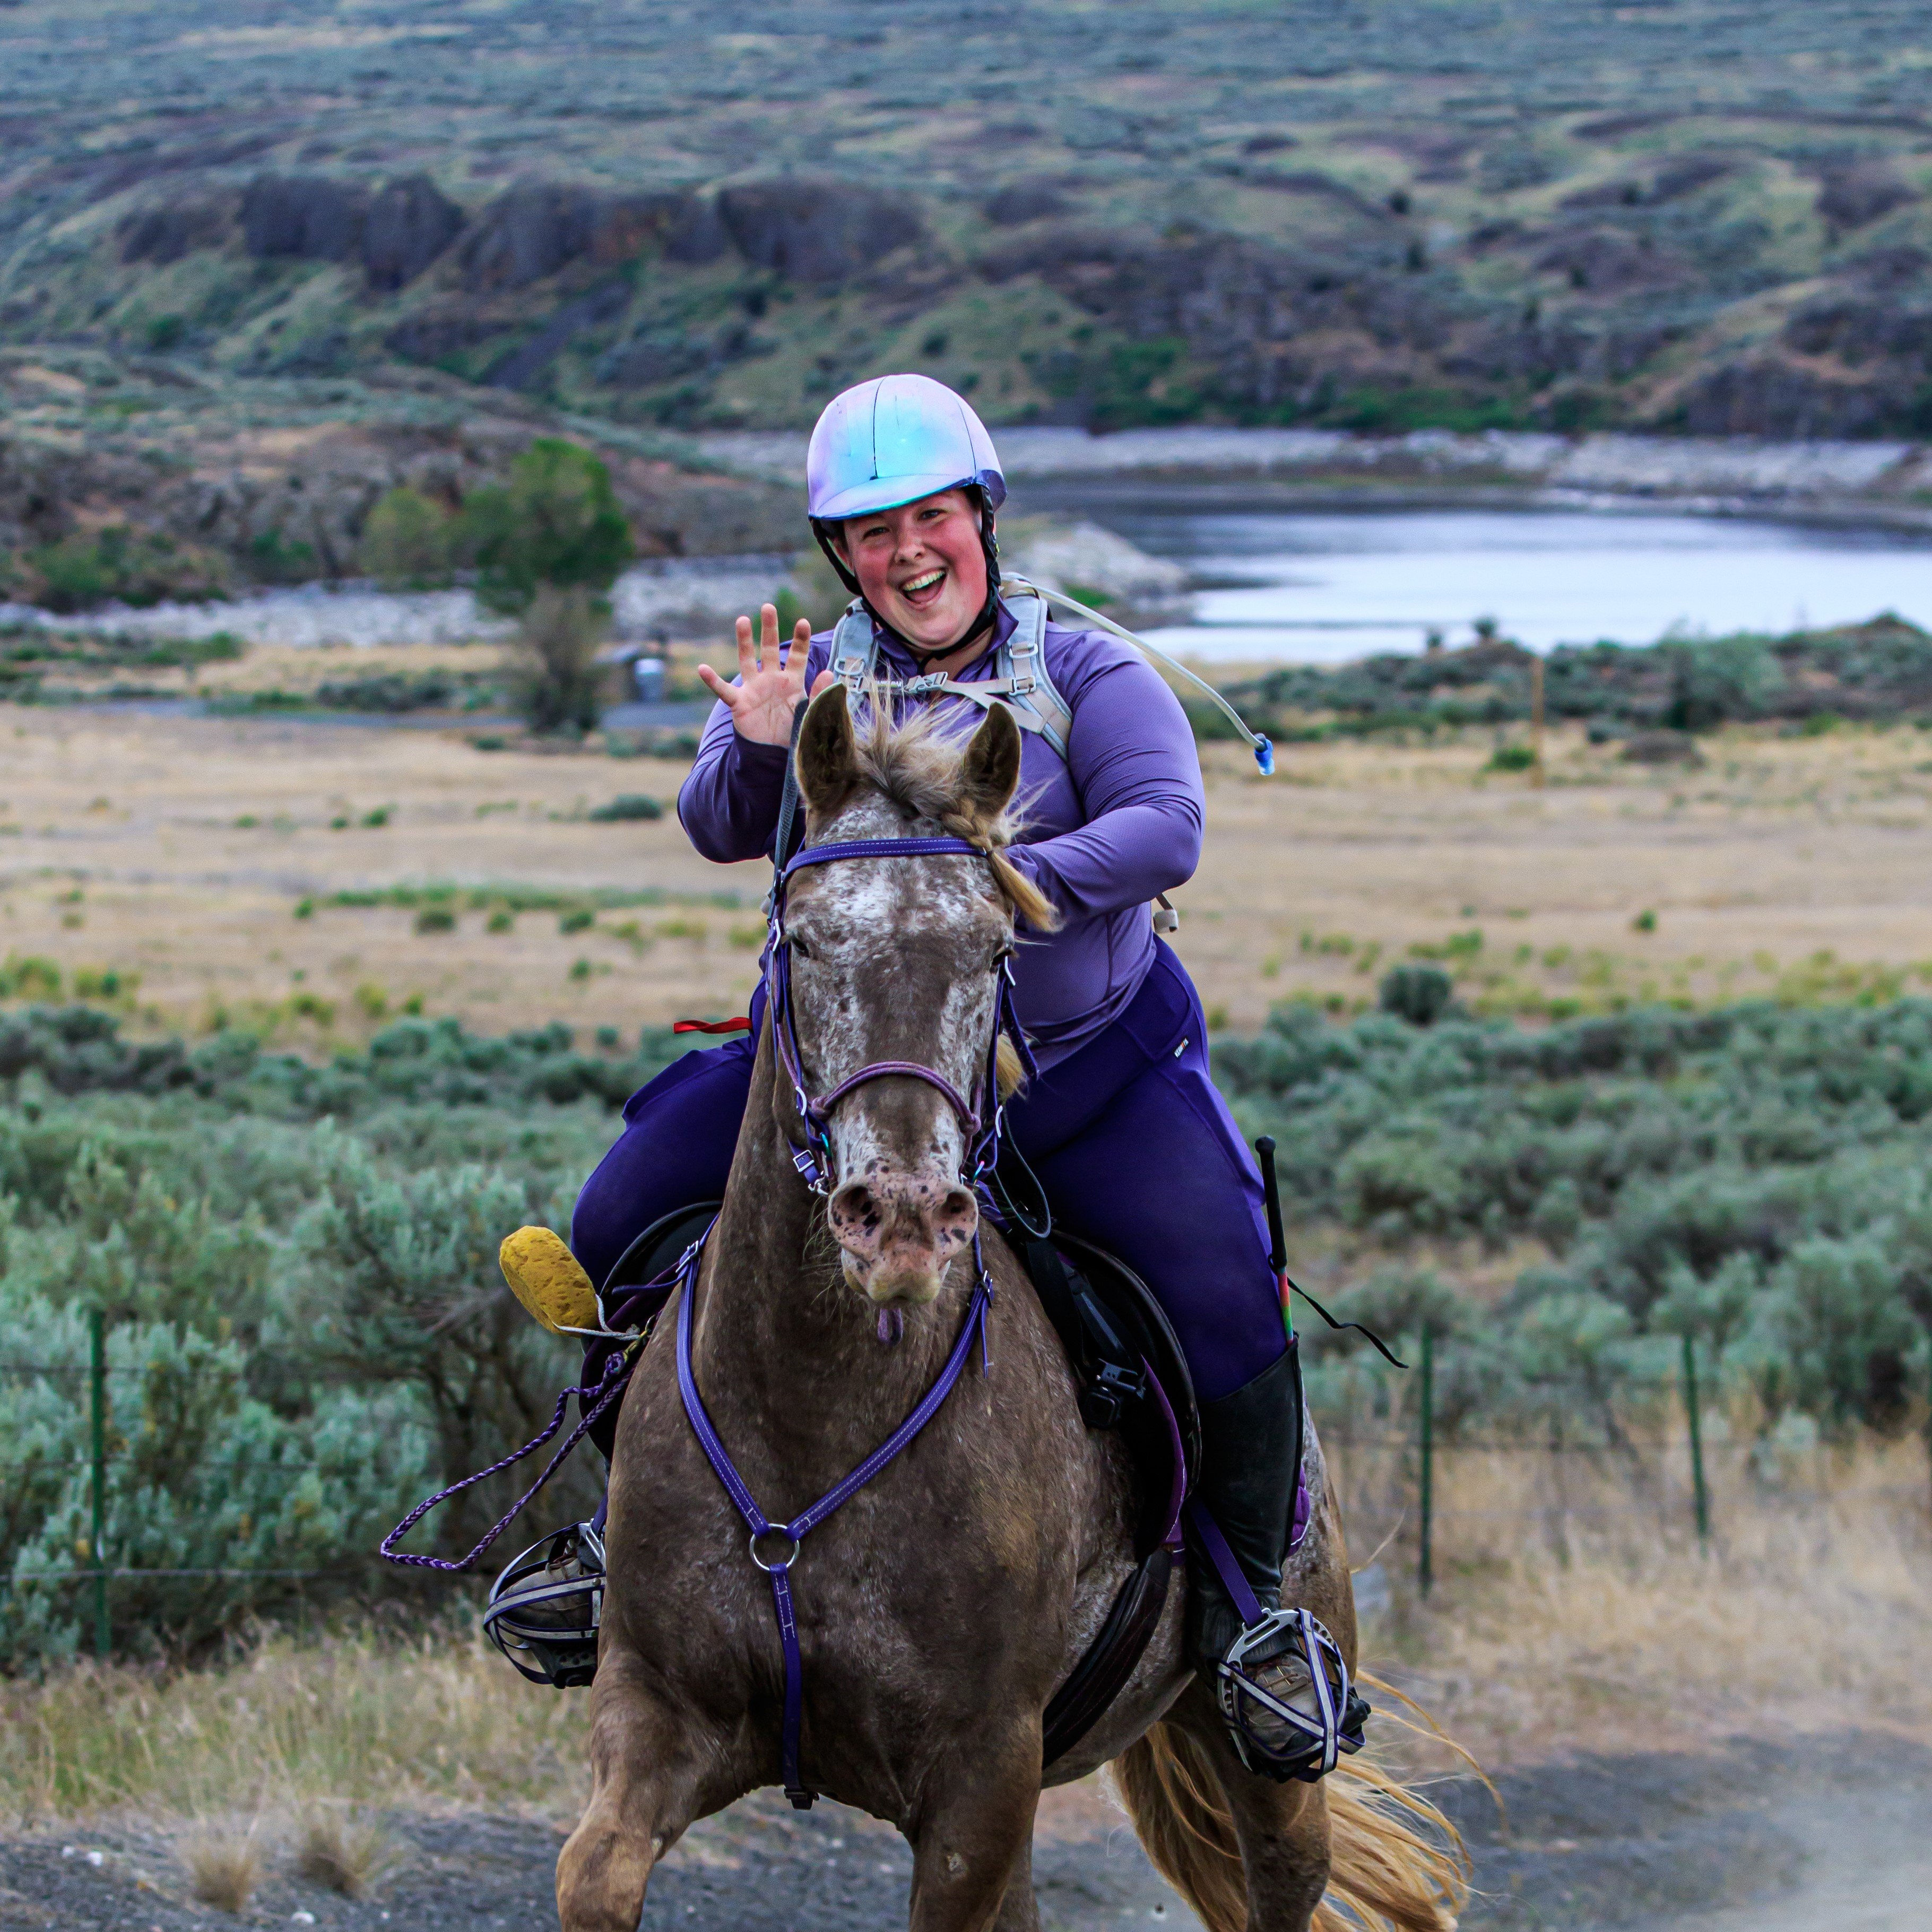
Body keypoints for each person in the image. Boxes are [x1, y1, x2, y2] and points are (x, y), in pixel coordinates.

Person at [497, 373, 1327, 1778]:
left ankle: (1251, 1624)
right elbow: (716, 825)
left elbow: (1166, 827)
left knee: (1229, 1294)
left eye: (930, 517)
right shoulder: (801, 675)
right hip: (831, 1077)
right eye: (871, 534)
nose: (907, 553)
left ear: (981, 518)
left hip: (1083, 1073)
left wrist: (990, 882)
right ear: (841, 556)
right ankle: (611, 1542)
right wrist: (757, 749)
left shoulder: (1087, 672)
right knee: (611, 1221)